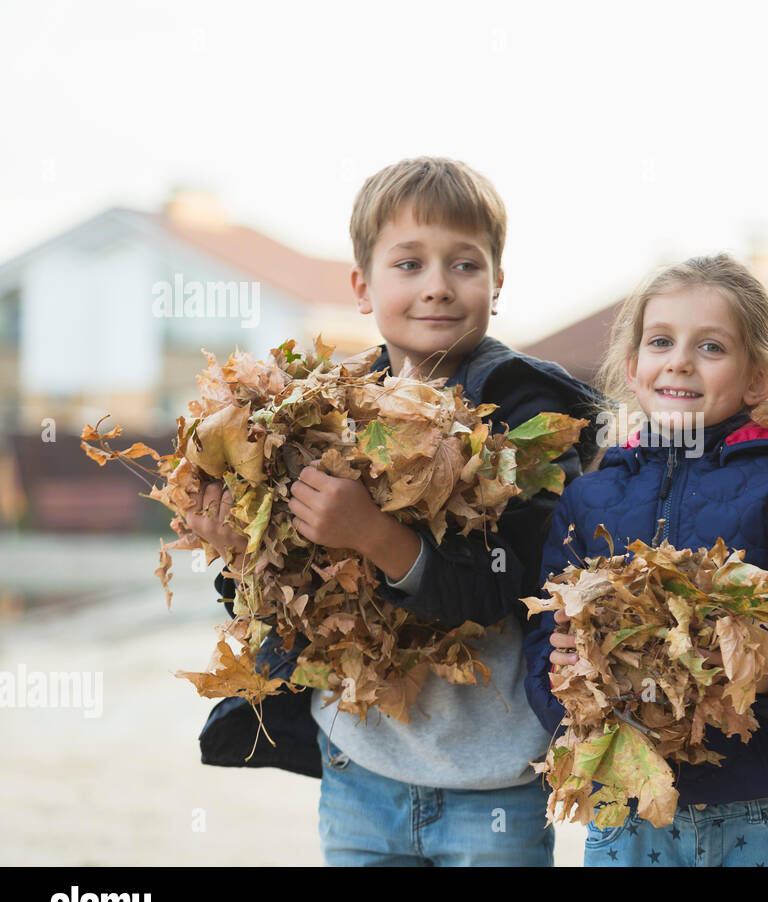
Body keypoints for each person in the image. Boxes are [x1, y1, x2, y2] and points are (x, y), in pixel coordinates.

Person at [186, 156, 601, 866]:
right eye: (408, 264)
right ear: (362, 285)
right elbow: (289, 600)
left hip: (492, 783)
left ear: (497, 284)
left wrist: (376, 537)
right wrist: (237, 555)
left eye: (464, 265)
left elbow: (508, 582)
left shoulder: (530, 412)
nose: (437, 286)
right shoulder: (311, 411)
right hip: (360, 771)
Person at [523, 253, 768, 866]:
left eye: (710, 347)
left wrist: (760, 669)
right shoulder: (587, 498)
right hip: (626, 806)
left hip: (765, 808)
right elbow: (539, 647)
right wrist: (566, 677)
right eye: (662, 342)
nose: (680, 360)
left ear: (758, 379)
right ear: (633, 368)